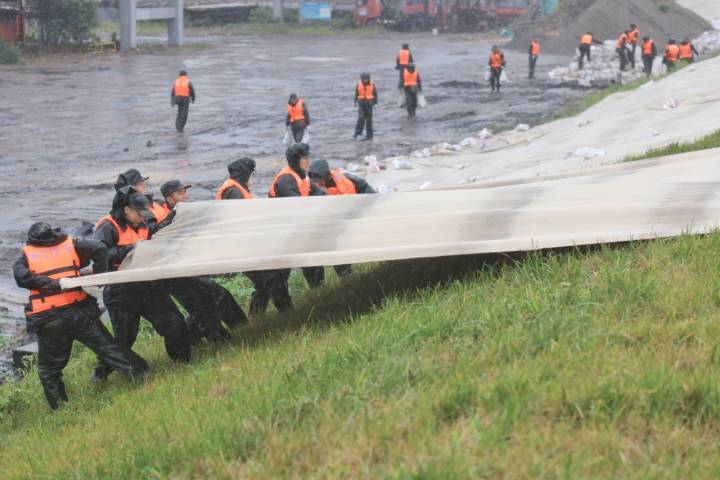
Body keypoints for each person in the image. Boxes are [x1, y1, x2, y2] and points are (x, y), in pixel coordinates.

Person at [13, 222, 149, 409]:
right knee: (108, 348)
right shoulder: (71, 243)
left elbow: (22, 279)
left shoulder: (25, 256)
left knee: (48, 369)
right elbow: (100, 248)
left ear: (32, 240)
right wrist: (100, 277)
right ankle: (142, 375)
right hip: (80, 312)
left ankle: (60, 408)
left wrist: (54, 284)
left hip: (49, 318)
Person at [93, 186, 192, 380]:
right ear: (126, 210)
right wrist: (131, 248)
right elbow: (101, 254)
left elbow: (155, 236)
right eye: (139, 213)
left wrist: (172, 221)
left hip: (148, 285)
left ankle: (183, 362)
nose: (142, 217)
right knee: (124, 339)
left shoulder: (144, 222)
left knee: (174, 323)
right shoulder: (107, 226)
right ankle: (100, 373)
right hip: (120, 290)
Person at [160, 179, 248, 332]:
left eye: (185, 191)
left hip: (190, 266)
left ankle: (242, 328)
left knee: (216, 297)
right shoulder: (164, 217)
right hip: (174, 273)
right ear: (169, 199)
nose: (185, 196)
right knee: (205, 306)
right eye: (180, 193)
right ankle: (220, 339)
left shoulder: (187, 210)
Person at [268, 143, 326, 291]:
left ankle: (319, 292)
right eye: (304, 158)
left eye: (308, 157)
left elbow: (320, 194)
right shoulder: (286, 180)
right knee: (278, 278)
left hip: (297, 231)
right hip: (281, 235)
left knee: (313, 265)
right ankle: (284, 311)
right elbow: (297, 208)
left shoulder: (302, 177)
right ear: (295, 161)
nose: (308, 162)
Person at [308, 159, 376, 280]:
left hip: (348, 222)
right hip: (325, 228)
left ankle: (347, 278)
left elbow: (367, 190)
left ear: (328, 175)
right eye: (314, 179)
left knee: (342, 252)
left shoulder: (347, 179)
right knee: (320, 255)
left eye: (319, 179)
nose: (317, 182)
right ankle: (318, 284)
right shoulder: (312, 189)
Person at [354, 73, 378, 141]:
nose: (365, 80)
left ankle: (369, 135)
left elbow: (375, 94)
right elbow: (356, 93)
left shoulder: (372, 84)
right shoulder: (358, 84)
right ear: (361, 79)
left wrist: (376, 103)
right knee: (361, 118)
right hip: (361, 103)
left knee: (369, 120)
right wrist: (355, 102)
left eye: (366, 79)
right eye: (364, 79)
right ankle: (358, 133)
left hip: (369, 104)